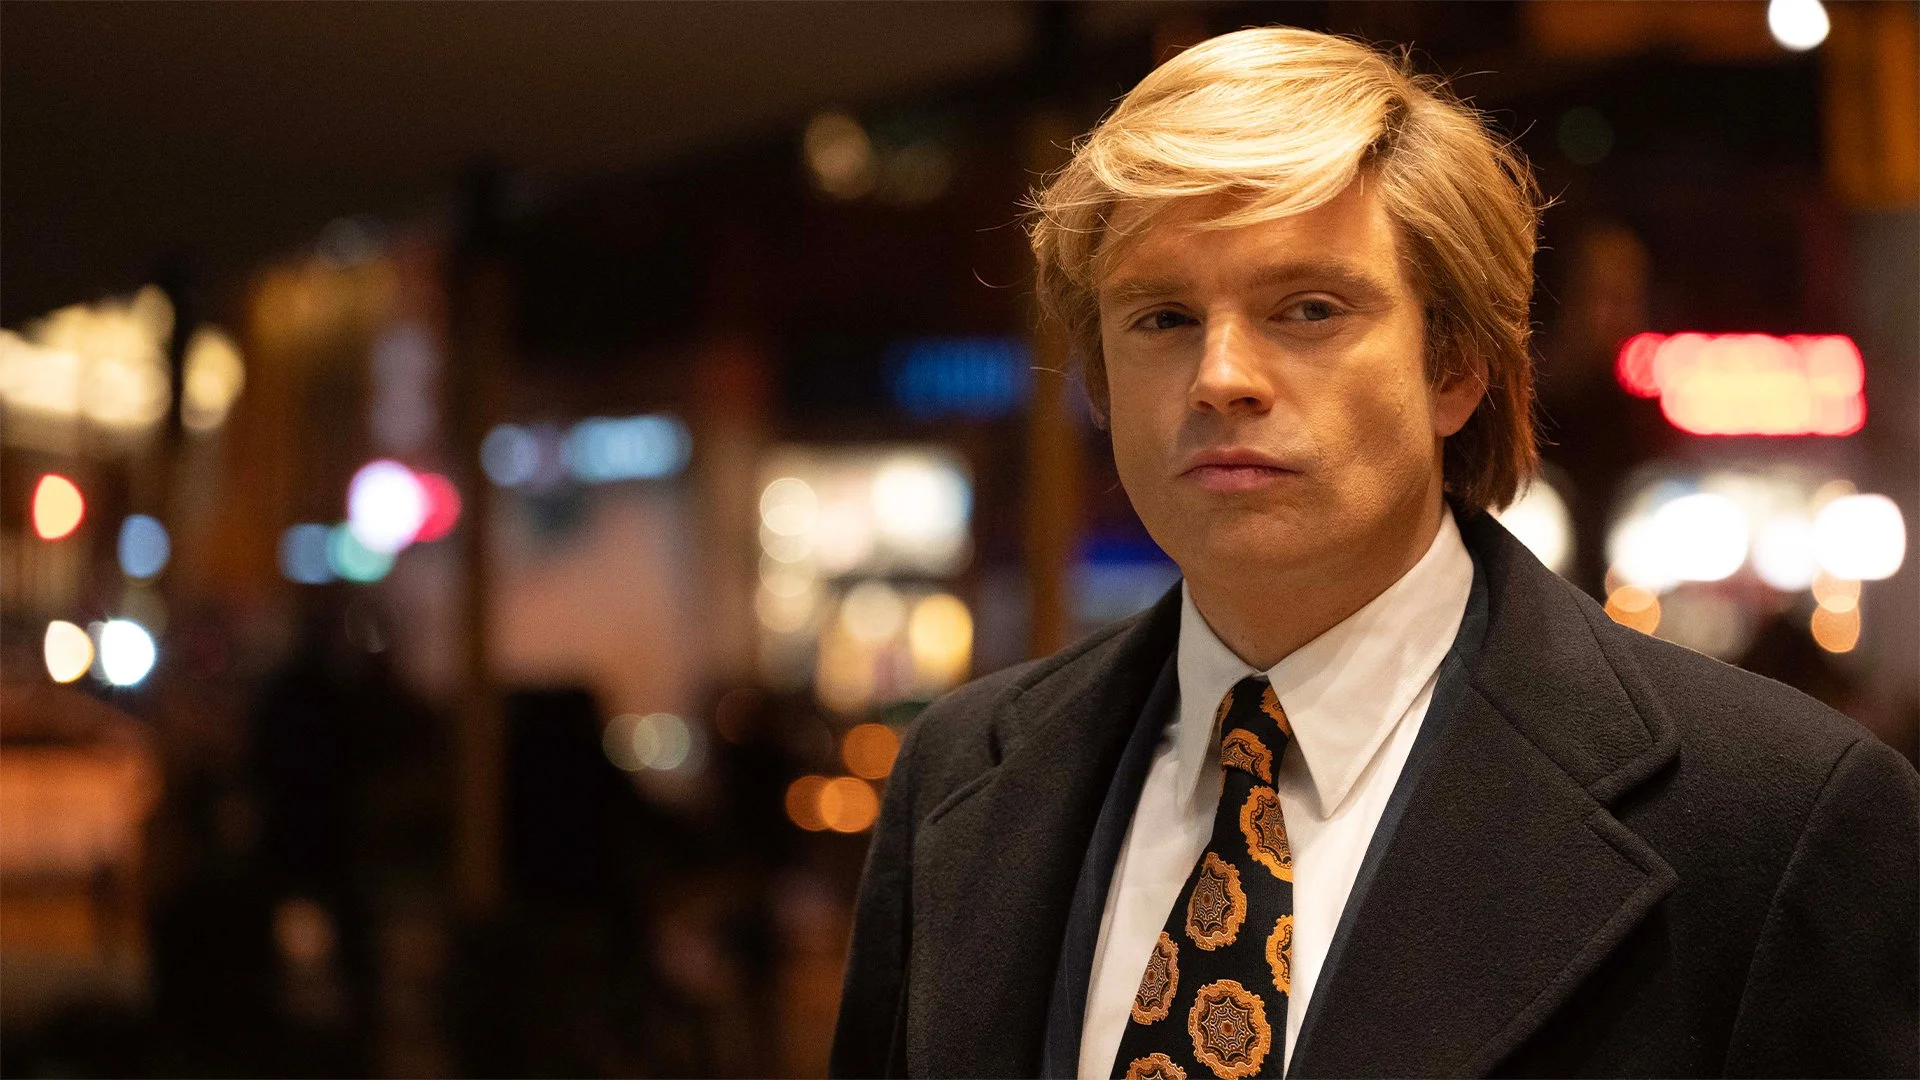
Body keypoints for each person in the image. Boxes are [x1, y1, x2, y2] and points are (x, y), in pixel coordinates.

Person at [829, 26, 1918, 1080]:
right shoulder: (962, 774)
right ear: (1102, 384)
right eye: (1160, 318)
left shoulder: (1773, 821)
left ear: (1455, 368)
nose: (1220, 378)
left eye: (1306, 308)